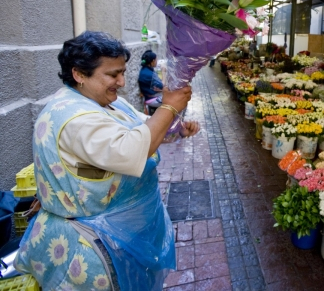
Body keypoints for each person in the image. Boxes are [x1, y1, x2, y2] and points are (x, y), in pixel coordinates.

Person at [14, 31, 199, 290]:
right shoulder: (74, 117)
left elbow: (144, 129)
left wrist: (174, 128)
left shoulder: (108, 103)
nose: (122, 82)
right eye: (113, 75)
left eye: (122, 72)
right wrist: (168, 108)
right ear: (79, 74)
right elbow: (130, 150)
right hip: (89, 245)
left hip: (117, 235)